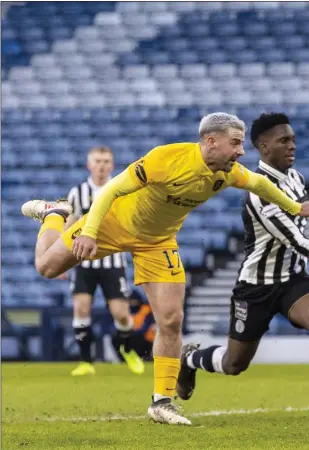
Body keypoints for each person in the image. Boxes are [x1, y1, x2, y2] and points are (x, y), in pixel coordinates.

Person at [22, 112, 309, 426]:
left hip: (158, 243)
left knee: (171, 319)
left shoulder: (227, 173)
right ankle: (55, 212)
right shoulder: (165, 159)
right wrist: (89, 231)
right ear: (211, 142)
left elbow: (259, 184)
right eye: (236, 143)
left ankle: (161, 402)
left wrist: (295, 208)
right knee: (46, 267)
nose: (241, 151)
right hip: (111, 224)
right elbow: (112, 190)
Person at [176, 113, 309, 402]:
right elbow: (298, 242)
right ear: (263, 147)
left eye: (293, 140)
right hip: (256, 288)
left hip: (293, 282)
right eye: (284, 140)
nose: (292, 146)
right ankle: (190, 359)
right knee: (234, 364)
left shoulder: (297, 178)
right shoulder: (258, 191)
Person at [62, 146, 144, 376]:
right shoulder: (77, 192)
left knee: (121, 313)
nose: (101, 165)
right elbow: (69, 226)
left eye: (106, 161)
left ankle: (127, 350)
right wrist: (62, 260)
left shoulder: (120, 191)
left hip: (113, 262)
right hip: (83, 263)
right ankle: (86, 362)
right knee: (81, 307)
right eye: (97, 161)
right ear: (89, 165)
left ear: (112, 165)